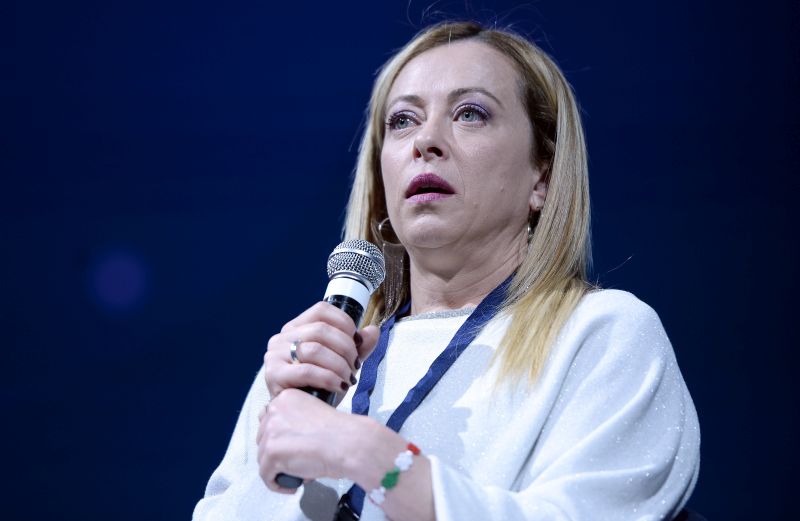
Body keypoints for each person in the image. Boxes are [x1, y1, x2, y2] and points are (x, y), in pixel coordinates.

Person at [193, 21, 700, 521]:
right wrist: (279, 416)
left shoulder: (601, 334)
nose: (426, 140)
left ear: (541, 176)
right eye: (403, 120)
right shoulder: (318, 359)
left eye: (470, 113)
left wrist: (372, 457)